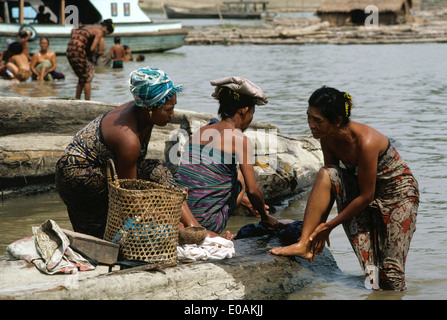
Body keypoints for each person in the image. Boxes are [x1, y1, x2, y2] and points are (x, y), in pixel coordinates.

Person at [270, 86, 419, 291]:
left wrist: (330, 226)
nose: (311, 125)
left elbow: (367, 196)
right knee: (372, 271)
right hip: (360, 190)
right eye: (309, 117)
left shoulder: (366, 141)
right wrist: (316, 232)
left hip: (398, 195)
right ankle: (303, 244)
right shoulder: (327, 137)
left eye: (317, 120)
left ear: (337, 121)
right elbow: (331, 183)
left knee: (391, 274)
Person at [55, 67, 210, 239]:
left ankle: (193, 226)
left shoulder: (143, 113)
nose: (172, 115)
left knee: (156, 171)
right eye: (167, 110)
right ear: (150, 108)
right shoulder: (128, 140)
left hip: (98, 170)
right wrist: (162, 215)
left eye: (173, 108)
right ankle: (182, 227)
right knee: (109, 234)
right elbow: (128, 194)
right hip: (79, 176)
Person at [174, 77, 280, 239]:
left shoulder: (202, 131)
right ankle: (215, 226)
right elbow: (253, 190)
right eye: (252, 112)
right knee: (242, 179)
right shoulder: (239, 139)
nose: (251, 118)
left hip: (179, 213)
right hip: (206, 223)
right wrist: (265, 218)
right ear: (244, 110)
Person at [66, 19, 114, 100]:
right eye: (106, 33)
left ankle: (77, 99)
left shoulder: (88, 27)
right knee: (88, 77)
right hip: (78, 50)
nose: (104, 35)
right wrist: (92, 58)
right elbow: (92, 49)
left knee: (82, 77)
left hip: (70, 50)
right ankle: (87, 102)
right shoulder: (99, 32)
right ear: (105, 27)